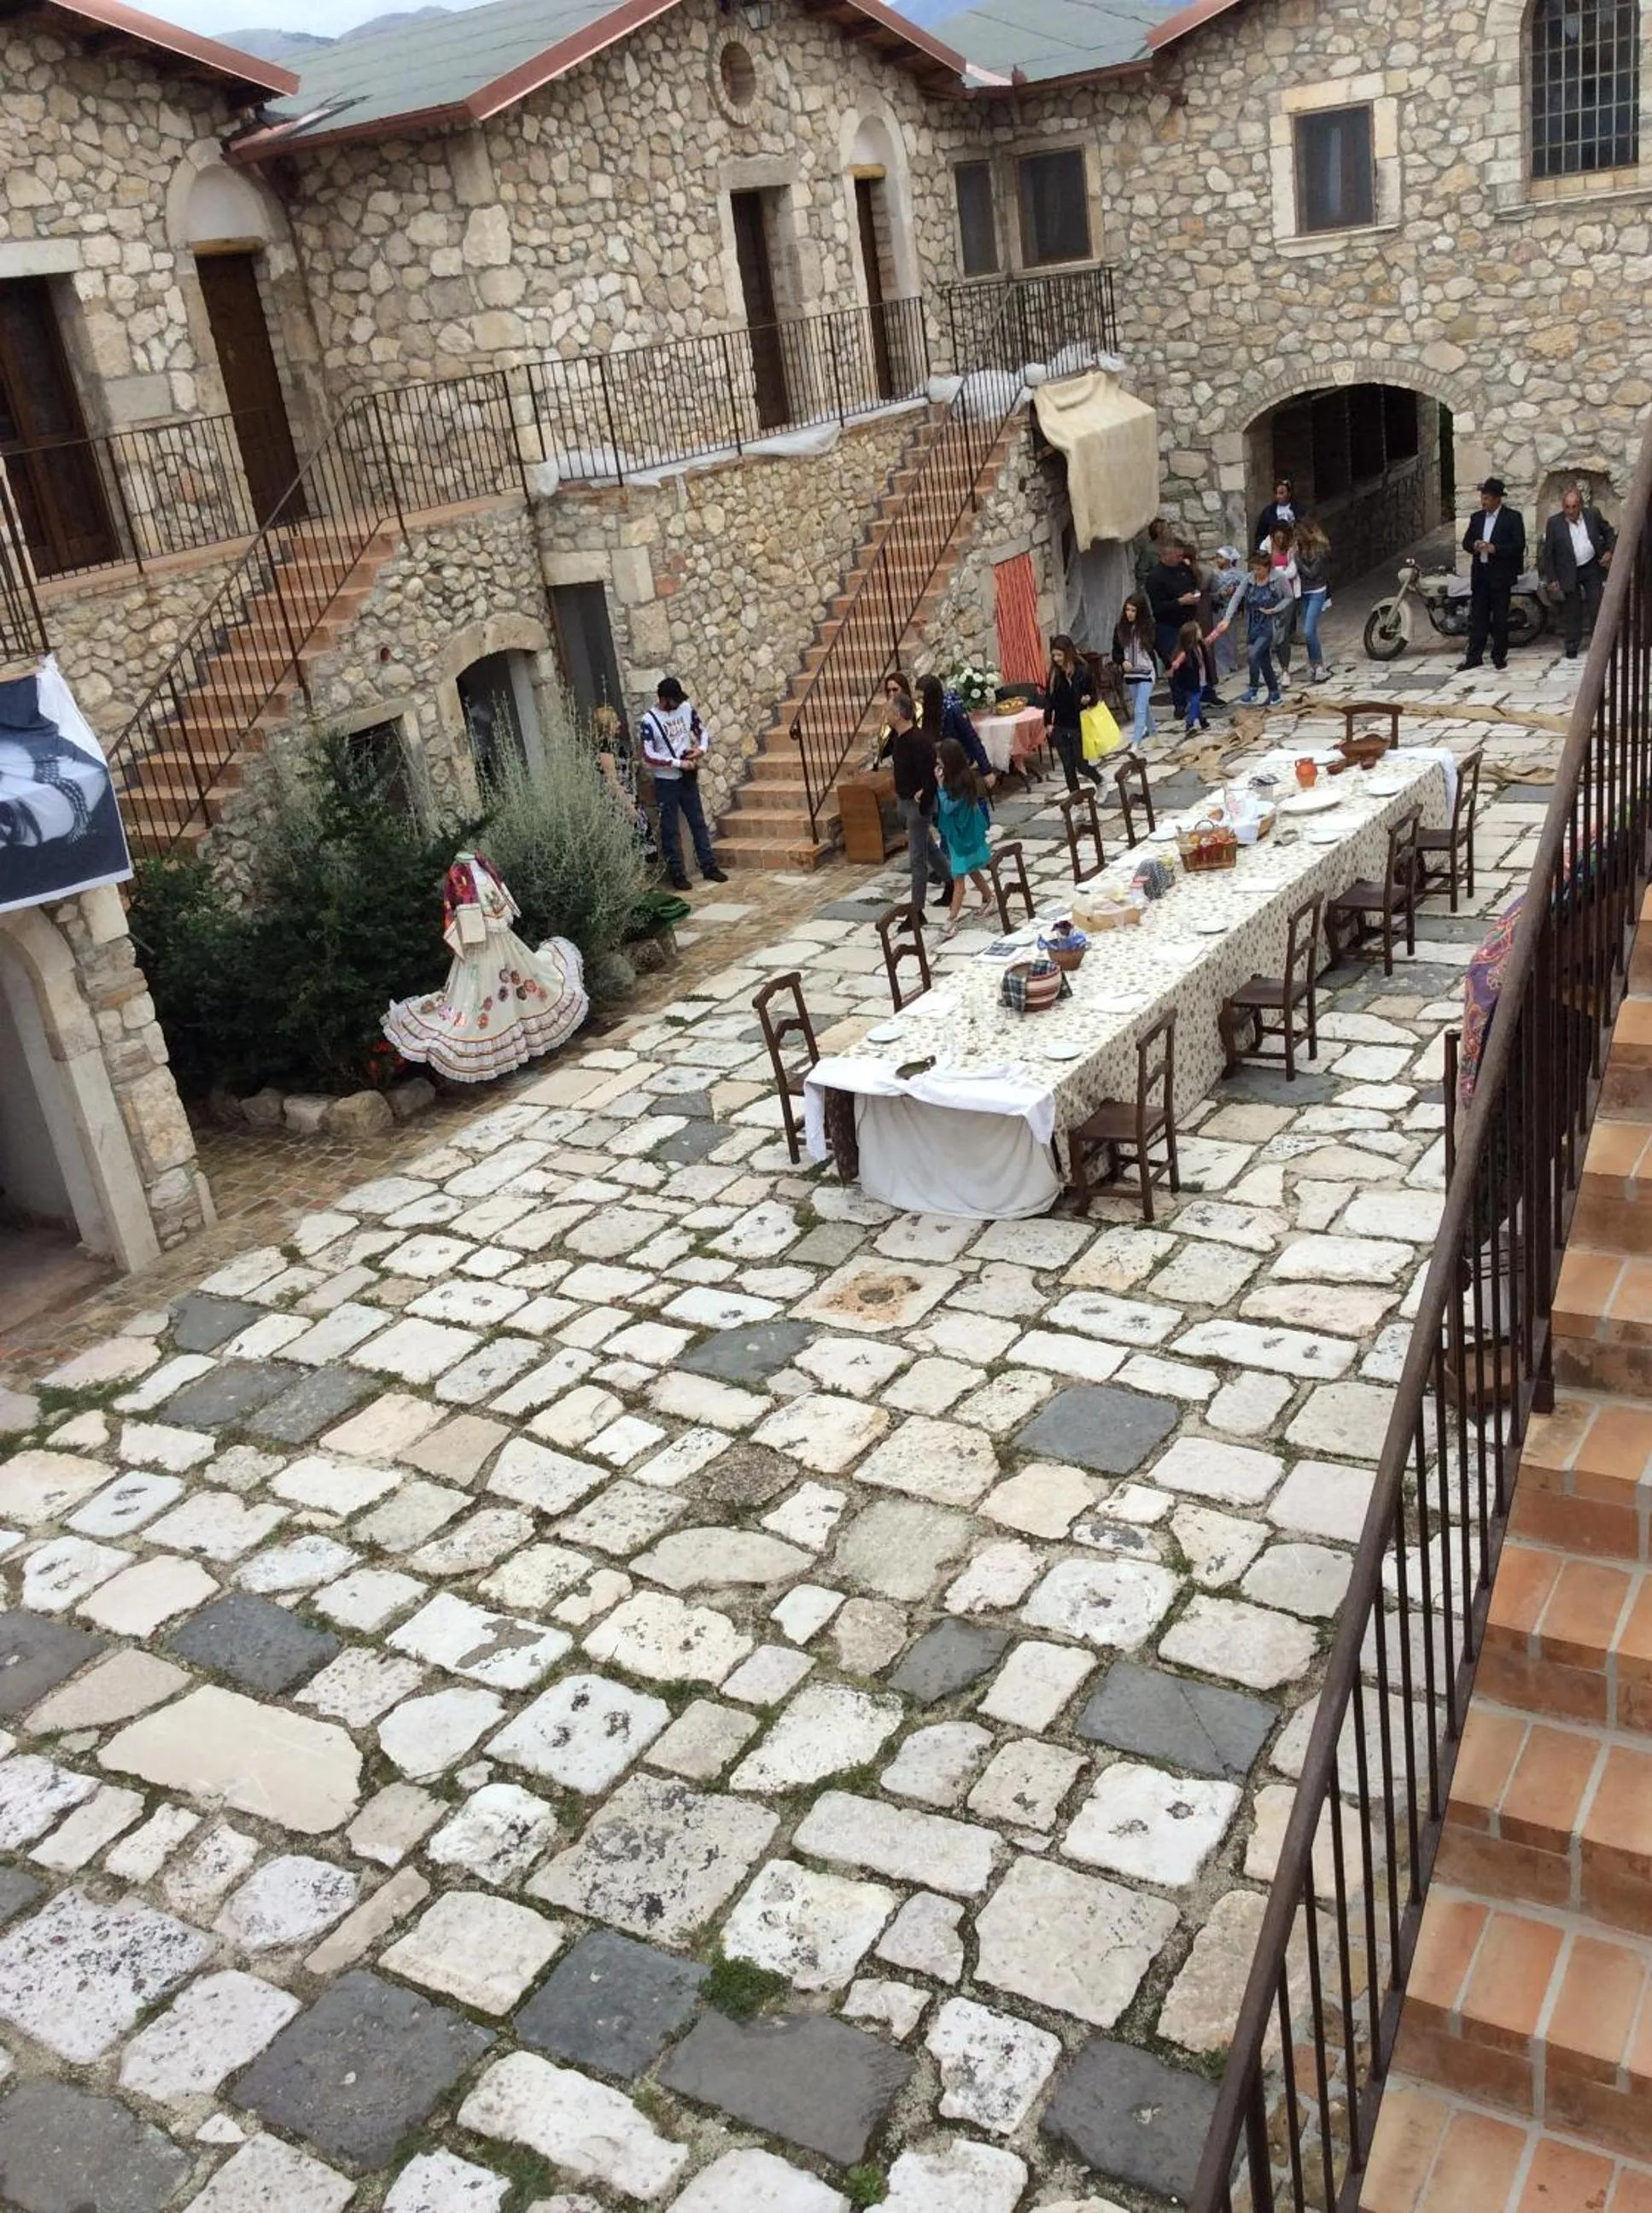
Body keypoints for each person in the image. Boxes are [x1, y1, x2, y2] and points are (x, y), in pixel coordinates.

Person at [383, 850, 589, 1083]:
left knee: (519, 988)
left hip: (504, 943)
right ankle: (507, 1061)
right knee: (483, 999)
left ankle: (523, 1051)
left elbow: (499, 901)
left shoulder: (482, 862)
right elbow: (454, 911)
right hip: (478, 947)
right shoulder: (457, 873)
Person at [639, 676, 728, 889]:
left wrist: (700, 750)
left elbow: (701, 731)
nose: (677, 704)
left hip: (687, 776)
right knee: (669, 828)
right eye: (673, 700)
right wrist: (677, 763)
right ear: (664, 699)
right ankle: (676, 872)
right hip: (666, 780)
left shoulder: (686, 709)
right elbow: (649, 755)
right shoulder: (649, 721)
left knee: (697, 821)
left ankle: (709, 865)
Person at [886, 689, 950, 925]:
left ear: (899, 714)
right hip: (905, 802)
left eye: (888, 711)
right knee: (930, 848)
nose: (885, 715)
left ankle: (917, 910)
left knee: (917, 858)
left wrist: (925, 794)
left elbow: (931, 774)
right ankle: (951, 881)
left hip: (917, 807)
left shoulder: (919, 741)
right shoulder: (898, 739)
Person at [1460, 477, 1527, 672]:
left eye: (1487, 498)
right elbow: (1466, 542)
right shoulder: (1477, 518)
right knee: (1478, 618)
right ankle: (1474, 657)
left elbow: (1518, 545)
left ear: (1497, 499)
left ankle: (1499, 656)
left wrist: (1495, 548)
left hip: (1500, 576)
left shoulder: (1512, 518)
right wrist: (1475, 545)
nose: (1483, 502)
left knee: (1499, 619)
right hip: (1481, 575)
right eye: (1483, 498)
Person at [1540, 484, 1616, 657]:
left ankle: (1601, 644)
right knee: (1572, 609)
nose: (1570, 511)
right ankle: (1572, 644)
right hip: (1568, 569)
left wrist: (1609, 552)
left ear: (1581, 505)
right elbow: (1548, 553)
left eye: (1574, 507)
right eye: (1567, 507)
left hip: (1591, 566)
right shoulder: (1554, 523)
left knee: (1597, 604)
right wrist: (1552, 578)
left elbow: (1609, 532)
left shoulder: (1593, 515)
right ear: (1563, 506)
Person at [935, 737, 995, 938]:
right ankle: (989, 897)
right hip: (961, 833)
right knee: (972, 868)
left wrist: (940, 786)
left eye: (940, 758)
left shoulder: (959, 782)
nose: (938, 762)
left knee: (958, 877)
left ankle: (952, 919)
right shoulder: (964, 776)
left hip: (961, 835)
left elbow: (948, 807)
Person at [1216, 552, 1293, 707]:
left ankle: (1253, 689)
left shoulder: (1279, 578)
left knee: (1252, 655)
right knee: (1264, 662)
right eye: (1254, 569)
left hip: (1269, 625)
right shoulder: (1249, 579)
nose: (1255, 572)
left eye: (1259, 569)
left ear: (1267, 567)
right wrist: (1227, 619)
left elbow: (1289, 597)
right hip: (1254, 624)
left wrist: (1276, 609)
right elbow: (1236, 598)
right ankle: (1274, 694)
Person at [1043, 634, 1100, 795]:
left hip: (1079, 724)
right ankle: (1076, 801)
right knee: (1068, 767)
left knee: (1081, 764)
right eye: (1054, 655)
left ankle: (1099, 780)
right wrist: (1048, 722)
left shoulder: (1082, 671)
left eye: (1059, 655)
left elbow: (1094, 695)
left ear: (1068, 653)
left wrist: (1088, 698)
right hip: (1061, 725)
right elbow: (1049, 700)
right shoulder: (1054, 675)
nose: (1056, 659)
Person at [916, 672, 995, 787]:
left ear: (931, 697)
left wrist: (986, 770)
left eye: (922, 698)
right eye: (918, 697)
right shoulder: (922, 712)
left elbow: (971, 738)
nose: (920, 701)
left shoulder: (953, 710)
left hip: (955, 761)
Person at [1144, 540, 1203, 668]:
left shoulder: (1183, 568)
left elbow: (1194, 583)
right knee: (1176, 663)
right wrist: (1180, 602)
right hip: (1169, 627)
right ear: (1166, 556)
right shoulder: (1155, 577)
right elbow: (1158, 608)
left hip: (1188, 623)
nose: (1181, 559)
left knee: (1195, 661)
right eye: (1178, 556)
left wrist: (1194, 596)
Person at [1112, 597, 1159, 750]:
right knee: (1144, 706)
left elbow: (1158, 647)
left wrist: (1171, 664)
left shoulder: (1148, 627)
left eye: (1133, 610)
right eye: (1127, 610)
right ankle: (1154, 735)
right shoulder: (1119, 629)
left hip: (1146, 672)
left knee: (1139, 708)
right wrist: (1122, 662)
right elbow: (1116, 652)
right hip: (1131, 675)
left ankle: (1135, 743)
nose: (1129, 614)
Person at [1294, 518, 1332, 682]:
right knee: (1308, 631)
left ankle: (1319, 666)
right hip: (1303, 593)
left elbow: (1311, 573)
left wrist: (1296, 560)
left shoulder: (1320, 550)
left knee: (1309, 630)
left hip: (1317, 591)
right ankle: (1314, 663)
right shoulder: (1297, 549)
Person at [1165, 619, 1211, 739]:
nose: (1201, 631)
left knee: (1196, 702)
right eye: (1198, 630)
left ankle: (1202, 721)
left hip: (1199, 679)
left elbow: (1211, 639)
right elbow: (1178, 661)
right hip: (1191, 682)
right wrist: (1172, 668)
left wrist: (1219, 630)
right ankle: (1189, 724)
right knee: (1195, 702)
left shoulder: (1200, 645)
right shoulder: (1187, 651)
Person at [1268, 523, 1300, 680]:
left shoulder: (1291, 551)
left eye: (1283, 537)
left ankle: (1285, 670)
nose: (1280, 540)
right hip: (1269, 597)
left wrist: (1277, 574)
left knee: (1283, 635)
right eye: (1277, 537)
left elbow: (1292, 571)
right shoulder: (1266, 549)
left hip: (1287, 597)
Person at [872, 670, 914, 766]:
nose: (891, 694)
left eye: (895, 690)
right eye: (888, 690)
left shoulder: (913, 711)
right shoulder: (886, 713)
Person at [1255, 476, 1297, 549]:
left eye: (1281, 493)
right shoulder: (1268, 512)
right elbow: (1260, 534)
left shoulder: (1298, 509)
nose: (1278, 496)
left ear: (1289, 493)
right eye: (1276, 493)